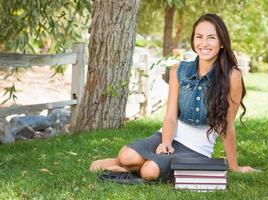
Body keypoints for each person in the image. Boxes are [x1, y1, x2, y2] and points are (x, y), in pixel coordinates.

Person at [90, 13, 257, 181]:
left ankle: (136, 167)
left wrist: (234, 167)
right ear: (193, 40)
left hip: (197, 150)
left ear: (221, 42)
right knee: (126, 156)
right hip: (170, 136)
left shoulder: (232, 76)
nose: (204, 43)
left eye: (211, 38)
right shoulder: (179, 70)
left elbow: (226, 126)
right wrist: (166, 142)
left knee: (150, 172)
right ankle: (127, 163)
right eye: (199, 37)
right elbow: (170, 116)